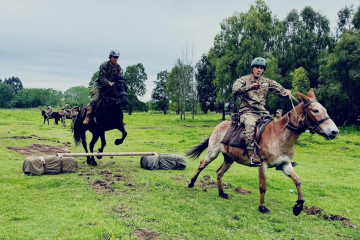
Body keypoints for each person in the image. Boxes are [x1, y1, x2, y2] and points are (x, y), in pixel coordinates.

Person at [232, 57, 291, 166]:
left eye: (261, 68)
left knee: (276, 127)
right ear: (252, 68)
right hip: (247, 111)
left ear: (263, 70)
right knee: (250, 125)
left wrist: (285, 92)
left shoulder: (267, 82)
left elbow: (279, 89)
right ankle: (251, 154)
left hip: (262, 112)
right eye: (256, 67)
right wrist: (249, 87)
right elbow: (235, 90)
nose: (259, 70)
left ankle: (280, 155)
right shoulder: (244, 80)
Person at [83, 50, 124, 125]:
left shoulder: (118, 66)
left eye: (117, 57)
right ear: (110, 57)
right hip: (99, 86)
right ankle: (88, 116)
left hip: (110, 86)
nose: (116, 59)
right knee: (95, 99)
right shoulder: (104, 65)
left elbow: (119, 76)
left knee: (118, 98)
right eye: (114, 57)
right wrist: (109, 83)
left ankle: (118, 119)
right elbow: (101, 78)